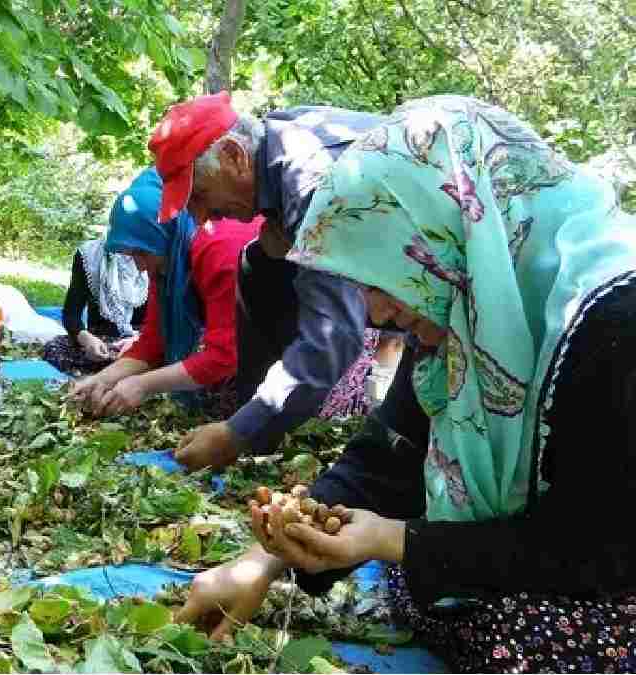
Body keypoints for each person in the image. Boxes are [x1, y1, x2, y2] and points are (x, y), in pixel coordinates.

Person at [177, 95, 636, 672]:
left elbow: (602, 547)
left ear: (444, 229)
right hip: (524, 566)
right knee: (433, 597)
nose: (374, 310)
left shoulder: (611, 321)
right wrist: (265, 560)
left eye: (382, 276)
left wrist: (395, 542)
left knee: (515, 635)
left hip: (603, 580)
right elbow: (389, 454)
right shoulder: (464, 314)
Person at [152, 92, 388, 469]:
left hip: (456, 276)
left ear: (234, 155)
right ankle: (260, 421)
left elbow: (332, 336)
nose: (200, 218)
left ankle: (255, 430)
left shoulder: (310, 181)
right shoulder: (280, 137)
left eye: (200, 196)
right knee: (257, 262)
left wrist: (237, 433)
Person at [69, 168, 260, 418]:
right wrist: (102, 379)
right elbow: (153, 341)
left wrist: (142, 384)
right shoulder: (167, 257)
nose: (139, 266)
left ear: (161, 233)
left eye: (141, 254)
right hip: (246, 345)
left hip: (286, 345)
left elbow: (225, 355)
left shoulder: (221, 250)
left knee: (228, 412)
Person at [41, 237, 148, 375]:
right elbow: (71, 315)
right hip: (103, 341)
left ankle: (124, 371)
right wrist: (86, 339)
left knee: (162, 357)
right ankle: (122, 371)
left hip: (143, 340)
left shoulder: (153, 255)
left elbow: (164, 323)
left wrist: (137, 340)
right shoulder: (90, 255)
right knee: (54, 348)